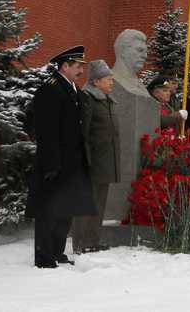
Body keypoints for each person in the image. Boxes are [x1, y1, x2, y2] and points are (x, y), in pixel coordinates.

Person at [26, 46, 96, 269]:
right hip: (55, 162)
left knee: (65, 208)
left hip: (72, 161)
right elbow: (46, 132)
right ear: (64, 66)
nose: (81, 71)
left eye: (82, 67)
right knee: (48, 210)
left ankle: (57, 251)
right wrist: (51, 164)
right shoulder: (51, 89)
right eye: (77, 66)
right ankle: (44, 256)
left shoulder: (72, 89)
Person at [72, 59, 119, 254]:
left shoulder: (105, 99)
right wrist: (86, 161)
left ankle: (92, 240)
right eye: (108, 80)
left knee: (99, 203)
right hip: (93, 162)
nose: (111, 83)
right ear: (97, 81)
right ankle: (80, 243)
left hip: (105, 160)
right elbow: (83, 133)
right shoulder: (87, 99)